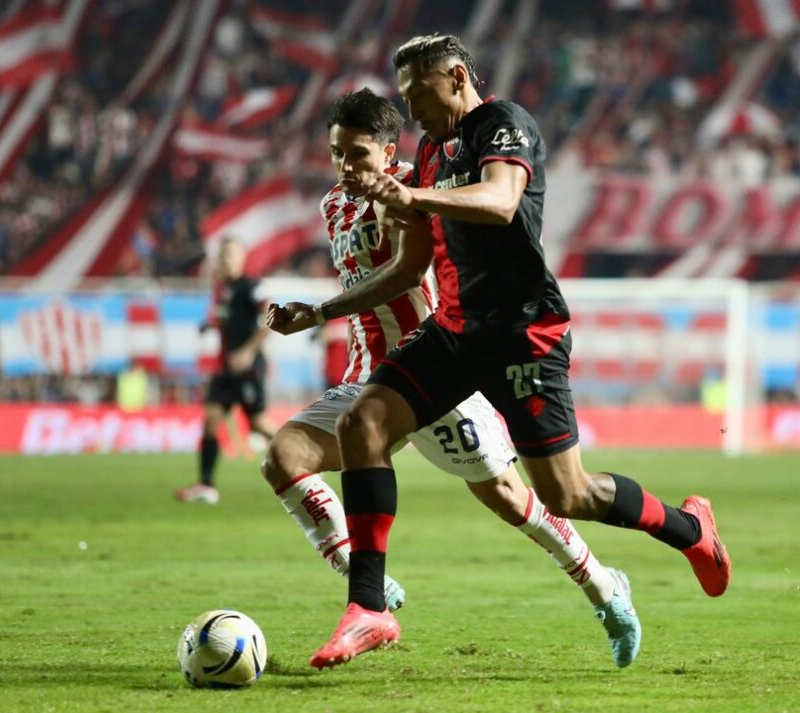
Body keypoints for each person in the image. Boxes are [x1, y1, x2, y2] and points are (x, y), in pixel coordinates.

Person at [292, 35, 731, 669]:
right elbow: (409, 266)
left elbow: (500, 203)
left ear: (456, 77)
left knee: (567, 495)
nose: (411, 110)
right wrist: (324, 312)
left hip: (525, 334)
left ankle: (691, 530)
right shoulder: (430, 149)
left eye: (417, 93)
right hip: (454, 332)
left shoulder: (502, 125)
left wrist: (410, 196)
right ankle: (368, 608)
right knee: (365, 421)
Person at [264, 88, 640, 668]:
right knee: (282, 458)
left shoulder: (427, 187)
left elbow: (411, 271)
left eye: (358, 154)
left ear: (391, 154)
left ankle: (606, 589)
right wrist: (315, 314)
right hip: (368, 380)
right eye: (337, 153)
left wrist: (323, 309)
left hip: (435, 372)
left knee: (515, 501)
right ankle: (369, 588)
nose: (345, 166)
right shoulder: (334, 206)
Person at [175, 238, 277, 504]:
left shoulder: (252, 286)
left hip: (248, 369)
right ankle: (206, 486)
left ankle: (307, 460)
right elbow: (224, 320)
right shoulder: (222, 289)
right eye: (222, 256)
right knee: (210, 420)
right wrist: (209, 326)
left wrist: (248, 351)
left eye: (231, 255)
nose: (226, 261)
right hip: (225, 369)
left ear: (242, 258)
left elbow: (271, 319)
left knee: (258, 424)